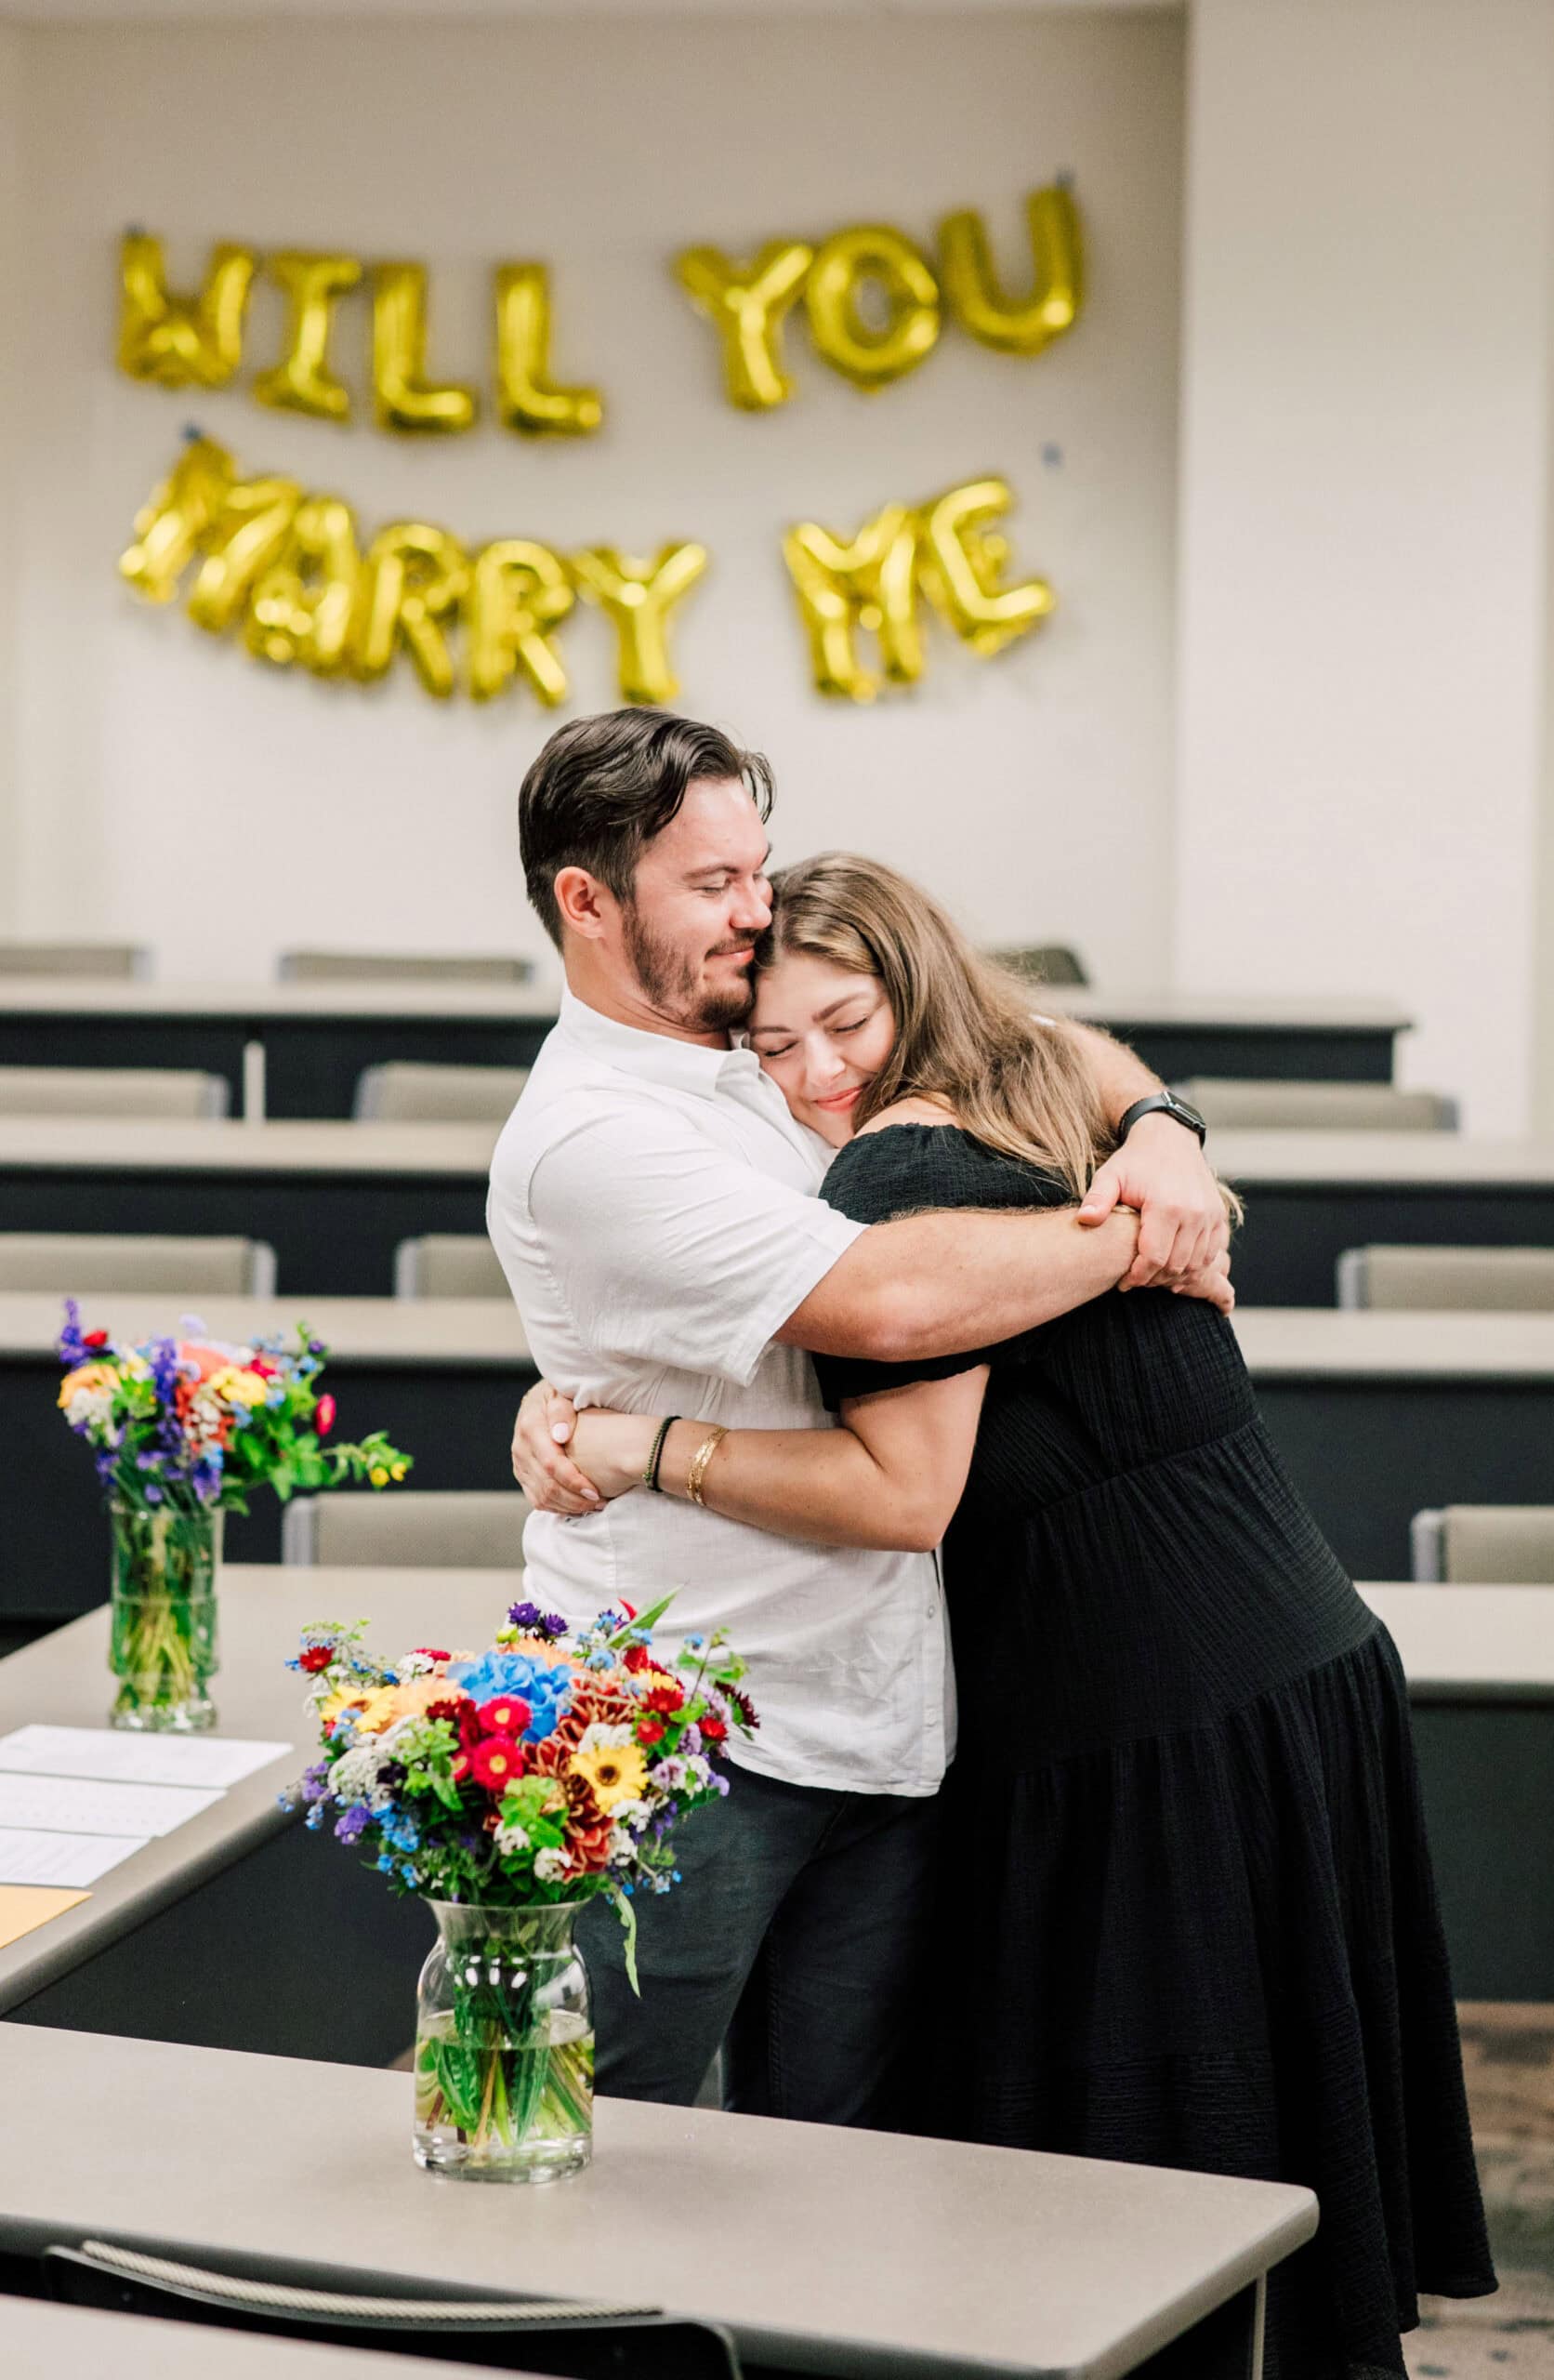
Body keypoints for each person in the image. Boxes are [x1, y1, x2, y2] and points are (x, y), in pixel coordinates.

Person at [523, 851, 1495, 2380]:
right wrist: (1168, 1128)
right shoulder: (1050, 1082)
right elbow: (1093, 1051)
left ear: (915, 988)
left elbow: (901, 1489)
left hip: (1152, 1714)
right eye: (772, 1048)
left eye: (844, 1023)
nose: (815, 1074)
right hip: (1290, 1670)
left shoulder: (898, 1173)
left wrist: (637, 1446)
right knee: (1250, 2173)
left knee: (1135, 2188)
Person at [489, 707, 1233, 2131]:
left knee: (835, 2166)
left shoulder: (755, 1047)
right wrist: (1147, 1236)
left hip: (881, 1716)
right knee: (606, 2129)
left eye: (756, 873)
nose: (754, 914)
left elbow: (1052, 1043)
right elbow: (888, 1303)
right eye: (713, 887)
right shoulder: (598, 1134)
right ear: (586, 903)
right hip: (690, 1738)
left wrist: (1166, 1137)